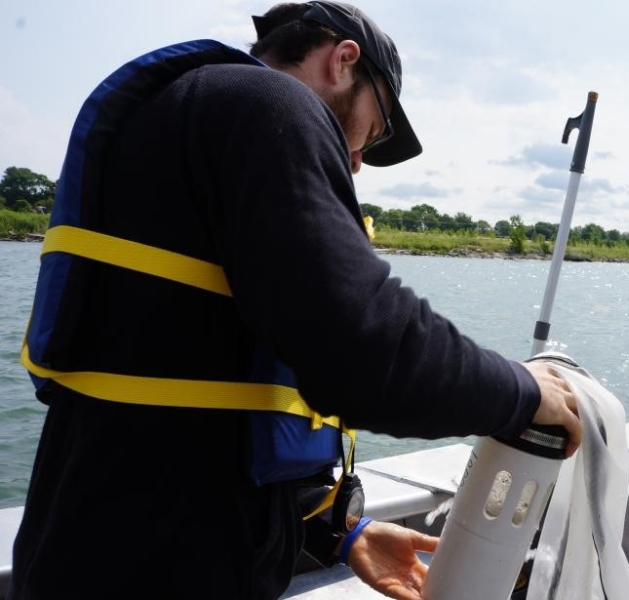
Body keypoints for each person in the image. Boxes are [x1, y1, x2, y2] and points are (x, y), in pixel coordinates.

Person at [11, 2, 582, 599]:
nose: (358, 158)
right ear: (342, 62)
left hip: (105, 541)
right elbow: (363, 350)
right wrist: (524, 390)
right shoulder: (267, 106)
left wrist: (336, 528)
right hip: (157, 567)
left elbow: (199, 367)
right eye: (376, 127)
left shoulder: (189, 115)